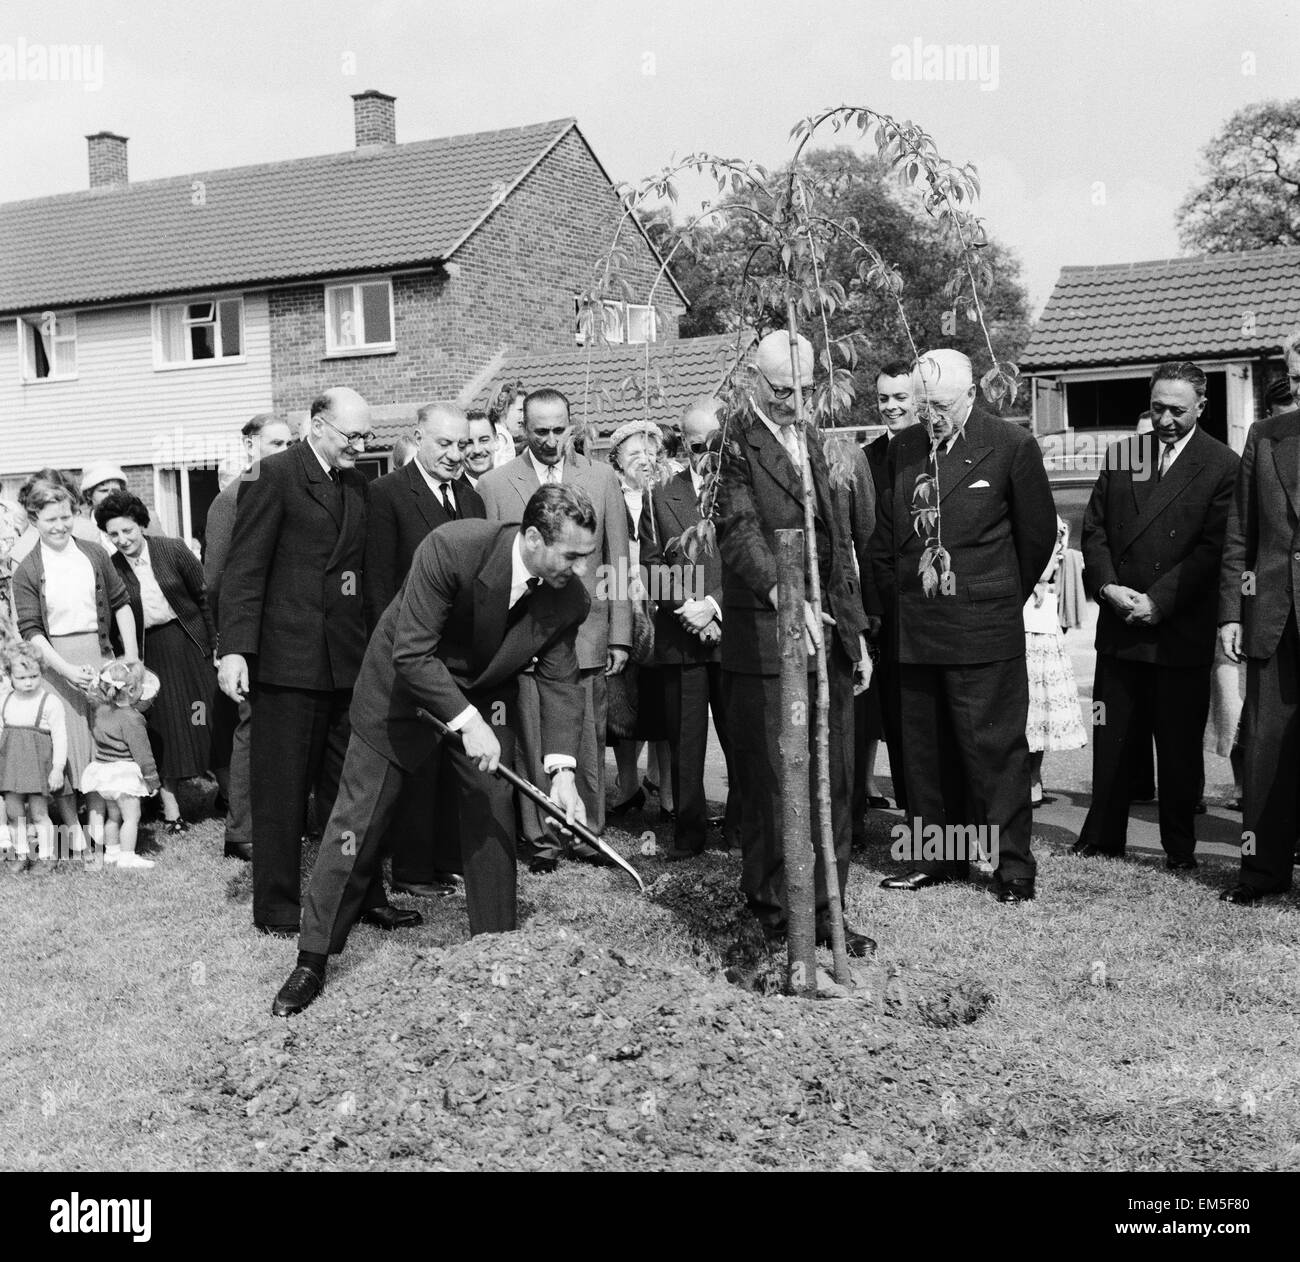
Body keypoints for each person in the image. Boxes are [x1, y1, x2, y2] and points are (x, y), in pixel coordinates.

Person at [270, 484, 596, 1017]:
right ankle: (312, 958)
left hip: (486, 701)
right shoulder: (453, 547)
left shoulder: (569, 599)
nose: (582, 569)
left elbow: (560, 684)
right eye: (573, 555)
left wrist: (562, 774)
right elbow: (413, 651)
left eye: (588, 556)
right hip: (400, 689)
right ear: (534, 538)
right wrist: (466, 721)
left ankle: (497, 954)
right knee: (358, 823)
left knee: (492, 818)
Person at [871, 348, 1056, 903]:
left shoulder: (1009, 445)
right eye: (922, 405)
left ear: (971, 395)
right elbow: (885, 543)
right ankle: (937, 857)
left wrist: (992, 599)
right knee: (924, 755)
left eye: (941, 405)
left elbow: (1035, 537)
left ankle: (1012, 867)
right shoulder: (902, 450)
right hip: (915, 628)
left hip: (983, 628)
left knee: (994, 752)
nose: (931, 416)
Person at [715, 330, 874, 954]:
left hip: (828, 636)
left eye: (804, 390)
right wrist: (786, 597)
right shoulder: (733, 443)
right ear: (757, 380)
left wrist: (854, 631)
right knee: (775, 782)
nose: (793, 402)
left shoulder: (815, 436)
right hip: (766, 642)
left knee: (831, 776)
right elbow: (739, 531)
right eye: (782, 390)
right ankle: (776, 911)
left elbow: (840, 543)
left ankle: (829, 908)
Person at [217, 387, 397, 937]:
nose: (361, 446)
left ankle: (362, 893)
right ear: (317, 425)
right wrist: (235, 652)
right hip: (286, 666)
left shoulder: (359, 486)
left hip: (346, 667)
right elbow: (243, 572)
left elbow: (365, 582)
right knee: (281, 792)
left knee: (353, 790)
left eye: (367, 436)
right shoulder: (273, 476)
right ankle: (276, 907)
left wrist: (376, 657)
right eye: (352, 435)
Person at [1074, 362, 1238, 869]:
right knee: (1113, 737)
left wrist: (1157, 601)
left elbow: (1213, 550)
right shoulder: (1125, 455)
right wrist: (1106, 587)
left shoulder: (1222, 465)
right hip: (1119, 624)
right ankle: (1102, 835)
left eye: (1177, 410)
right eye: (1157, 408)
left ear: (1201, 408)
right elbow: (1094, 529)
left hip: (1177, 628)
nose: (1165, 419)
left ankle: (1179, 847)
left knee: (1178, 746)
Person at [477, 388, 631, 871]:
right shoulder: (496, 485)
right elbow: (492, 563)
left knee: (585, 735)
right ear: (522, 428)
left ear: (571, 425)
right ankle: (540, 840)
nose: (550, 440)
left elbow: (618, 560)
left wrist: (620, 634)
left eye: (558, 430)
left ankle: (586, 835)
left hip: (586, 631)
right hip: (523, 633)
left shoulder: (602, 477)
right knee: (530, 736)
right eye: (539, 431)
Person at [364, 402, 485, 898]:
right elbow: (377, 585)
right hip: (409, 654)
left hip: (457, 657)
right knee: (417, 764)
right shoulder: (386, 495)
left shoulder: (470, 498)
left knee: (452, 760)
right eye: (445, 444)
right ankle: (413, 870)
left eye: (463, 445)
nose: (456, 454)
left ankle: (446, 860)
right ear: (418, 437)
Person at [12, 474, 139, 862]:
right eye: (50, 519)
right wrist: (65, 669)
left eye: (66, 517)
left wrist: (130, 657)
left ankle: (108, 825)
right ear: (34, 519)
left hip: (98, 654)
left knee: (103, 739)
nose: (60, 526)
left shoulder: (93, 553)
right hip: (57, 663)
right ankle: (73, 829)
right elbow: (31, 630)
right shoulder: (26, 570)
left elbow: (120, 603)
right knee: (66, 745)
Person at [1218, 327, 1300, 904]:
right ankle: (1261, 873)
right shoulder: (1267, 437)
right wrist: (1232, 613)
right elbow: (1241, 531)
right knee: (1267, 751)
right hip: (1276, 618)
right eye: (1297, 375)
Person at [641, 397, 739, 859]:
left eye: (717, 445)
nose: (708, 456)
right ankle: (690, 833)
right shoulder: (660, 493)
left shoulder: (745, 489)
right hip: (682, 638)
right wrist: (691, 609)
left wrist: (715, 607)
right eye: (699, 446)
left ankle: (742, 829)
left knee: (742, 739)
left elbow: (752, 561)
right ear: (684, 442)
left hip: (736, 635)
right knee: (685, 743)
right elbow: (651, 564)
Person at [97, 490, 216, 836]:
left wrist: (216, 646)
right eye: (114, 534)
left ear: (141, 525)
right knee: (164, 730)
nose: (122, 540)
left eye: (128, 531)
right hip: (149, 654)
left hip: (189, 642)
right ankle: (171, 809)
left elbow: (204, 598)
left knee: (208, 719)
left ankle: (229, 796)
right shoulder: (112, 567)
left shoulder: (172, 549)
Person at [203, 413, 294, 862]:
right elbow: (217, 580)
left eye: (290, 442)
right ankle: (242, 829)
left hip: (287, 632)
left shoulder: (288, 488)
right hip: (249, 633)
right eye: (275, 442)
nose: (284, 450)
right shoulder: (232, 498)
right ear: (250, 446)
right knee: (251, 725)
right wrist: (230, 642)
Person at [605, 420, 673, 819]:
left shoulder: (668, 492)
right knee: (622, 699)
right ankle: (628, 782)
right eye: (634, 454)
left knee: (664, 700)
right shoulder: (611, 496)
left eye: (650, 453)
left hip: (662, 605)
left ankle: (665, 785)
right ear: (617, 461)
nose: (644, 461)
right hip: (619, 603)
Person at [1024, 517, 1086, 807]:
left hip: (1038, 617)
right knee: (1031, 707)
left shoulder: (1052, 520)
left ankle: (1033, 778)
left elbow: (1049, 566)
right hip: (1028, 615)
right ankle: (1029, 779)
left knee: (1039, 706)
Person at [81, 660, 160, 870]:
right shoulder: (132, 719)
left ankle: (111, 852)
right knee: (132, 817)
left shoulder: (100, 710)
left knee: (113, 816)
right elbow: (143, 754)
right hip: (123, 774)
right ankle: (127, 856)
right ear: (132, 690)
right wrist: (152, 780)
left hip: (103, 773)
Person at [0, 642, 68, 865]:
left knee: (39, 813)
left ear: (41, 672)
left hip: (38, 766)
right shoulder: (5, 701)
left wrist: (58, 769)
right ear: (9, 675)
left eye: (33, 676)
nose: (28, 682)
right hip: (11, 766)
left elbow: (60, 737)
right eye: (21, 678)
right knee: (14, 813)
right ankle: (21, 854)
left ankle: (47, 856)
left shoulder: (50, 702)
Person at [487, 379, 527, 465]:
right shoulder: (501, 437)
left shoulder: (497, 432)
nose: (524, 416)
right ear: (505, 408)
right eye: (520, 410)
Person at [462, 410, 497, 490]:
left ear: (496, 441)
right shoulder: (450, 495)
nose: (477, 450)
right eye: (469, 443)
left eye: (484, 440)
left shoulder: (514, 486)